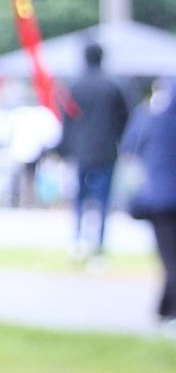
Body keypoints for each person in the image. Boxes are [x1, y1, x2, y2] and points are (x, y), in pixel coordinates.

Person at [62, 39, 133, 260]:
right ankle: (99, 248)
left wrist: (65, 148)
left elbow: (67, 119)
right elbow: (124, 119)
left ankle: (77, 242)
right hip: (106, 150)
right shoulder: (114, 85)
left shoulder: (74, 85)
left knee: (79, 199)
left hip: (80, 150)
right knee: (103, 200)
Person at [129, 81, 176, 326]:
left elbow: (132, 146)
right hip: (163, 198)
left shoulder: (153, 118)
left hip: (160, 199)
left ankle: (165, 311)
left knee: (169, 257)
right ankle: (165, 311)